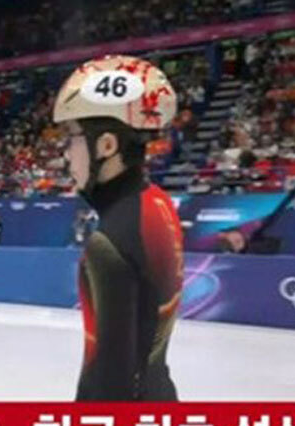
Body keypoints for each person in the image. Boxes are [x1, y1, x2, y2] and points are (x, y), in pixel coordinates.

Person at [51, 55, 184, 401]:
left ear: (106, 146)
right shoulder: (157, 202)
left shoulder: (108, 243)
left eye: (71, 138)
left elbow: (112, 377)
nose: (66, 154)